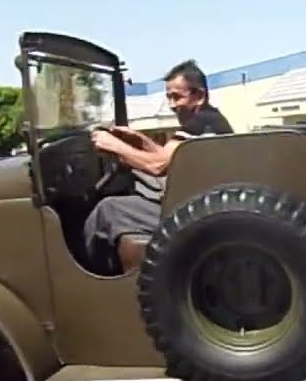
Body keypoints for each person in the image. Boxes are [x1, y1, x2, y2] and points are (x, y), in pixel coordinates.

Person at [83, 59, 234, 274]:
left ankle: (92, 277)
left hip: (195, 212)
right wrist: (140, 141)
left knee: (107, 209)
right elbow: (170, 157)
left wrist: (113, 145)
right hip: (204, 205)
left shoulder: (200, 123)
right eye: (168, 97)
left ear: (199, 96)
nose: (172, 105)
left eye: (177, 97)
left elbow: (157, 166)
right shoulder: (211, 119)